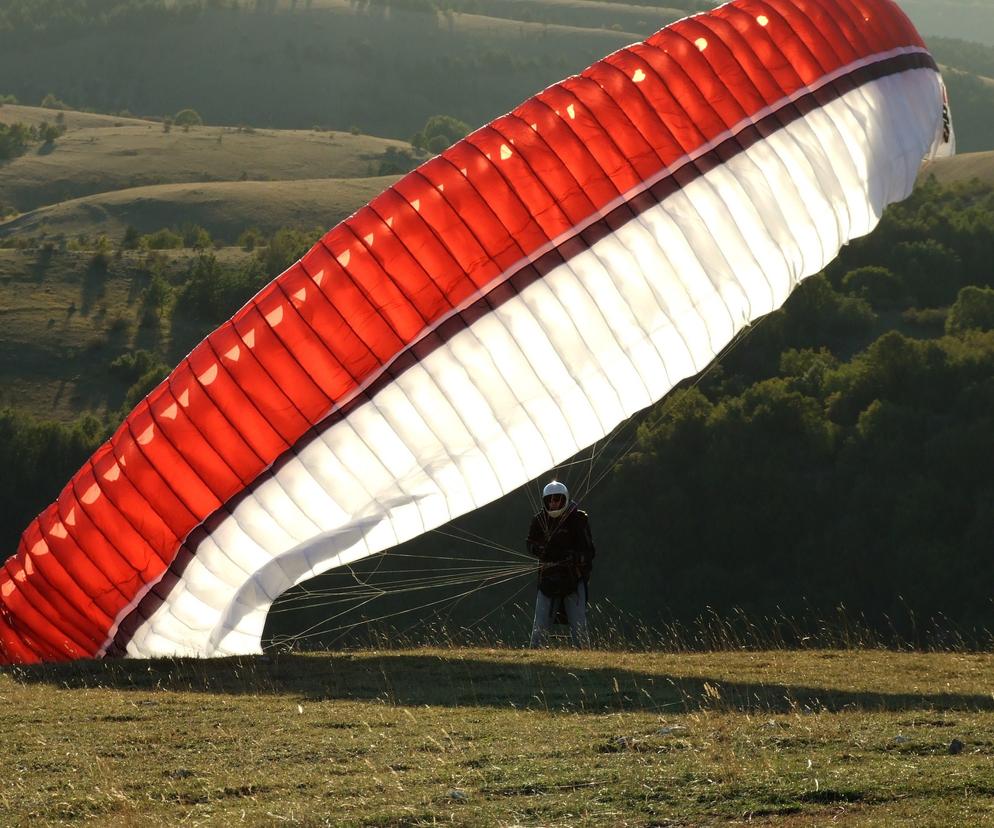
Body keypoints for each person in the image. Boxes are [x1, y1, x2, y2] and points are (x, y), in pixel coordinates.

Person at [526, 480, 595, 647]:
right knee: (540, 626)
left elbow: (590, 551)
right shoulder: (539, 520)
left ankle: (584, 659)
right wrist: (540, 549)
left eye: (557, 499)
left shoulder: (578, 519)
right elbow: (530, 543)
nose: (553, 502)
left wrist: (575, 558)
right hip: (549, 580)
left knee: (578, 625)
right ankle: (534, 658)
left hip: (572, 579)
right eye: (550, 499)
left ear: (564, 499)